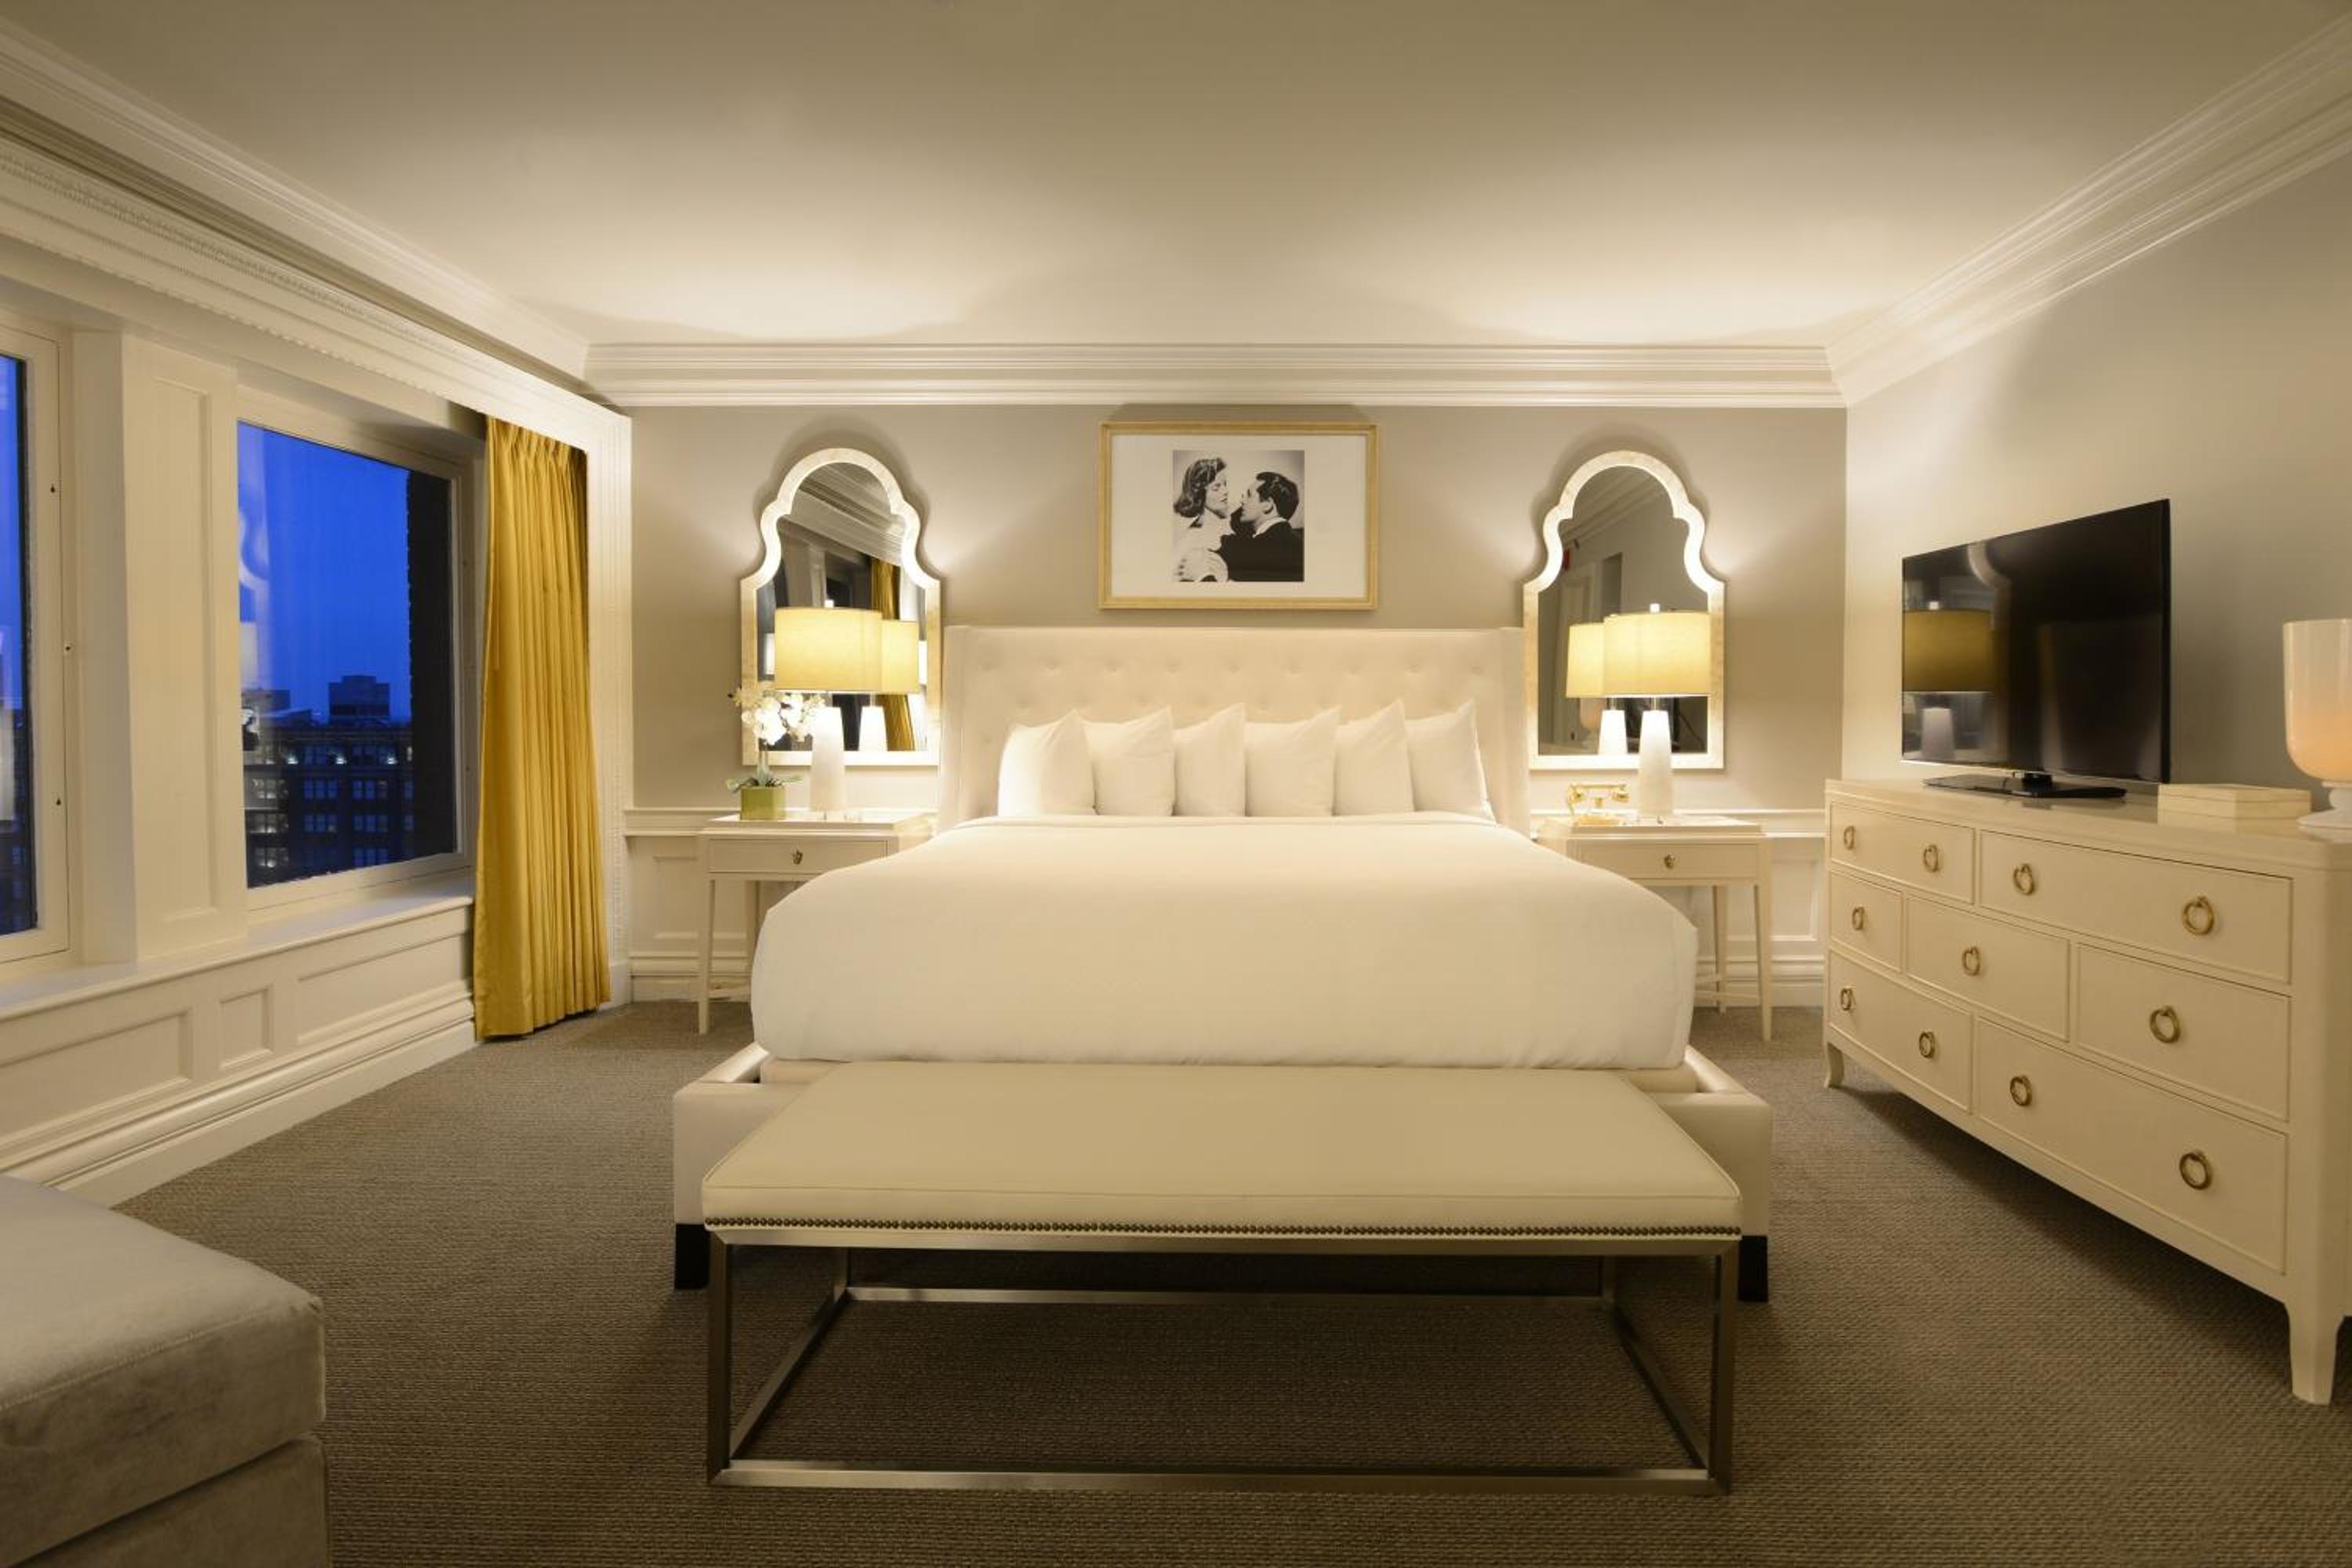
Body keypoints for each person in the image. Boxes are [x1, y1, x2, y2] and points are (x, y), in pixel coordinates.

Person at [1222, 471, 1304, 582]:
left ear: (1267, 504)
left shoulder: (1258, 549)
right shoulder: (1292, 541)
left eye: (1249, 495)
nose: (1242, 501)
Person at [1171, 456, 1232, 582]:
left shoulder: (1230, 528)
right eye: (1216, 488)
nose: (1226, 491)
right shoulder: (1193, 538)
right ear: (1199, 494)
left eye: (1225, 485)